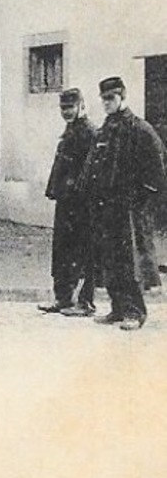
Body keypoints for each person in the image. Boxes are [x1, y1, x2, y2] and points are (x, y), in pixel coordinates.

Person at [84, 75, 167, 330]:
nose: (107, 103)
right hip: (107, 206)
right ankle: (117, 308)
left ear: (122, 97)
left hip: (129, 208)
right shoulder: (105, 129)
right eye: (104, 99)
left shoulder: (139, 129)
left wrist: (141, 198)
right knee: (109, 259)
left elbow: (157, 167)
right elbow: (94, 164)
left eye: (111, 98)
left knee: (130, 261)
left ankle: (135, 312)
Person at [37, 88, 95, 316]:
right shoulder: (71, 130)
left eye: (70, 107)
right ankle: (63, 298)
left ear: (81, 105)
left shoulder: (89, 133)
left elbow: (91, 170)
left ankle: (84, 302)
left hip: (81, 203)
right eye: (63, 108)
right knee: (62, 250)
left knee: (82, 251)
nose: (66, 112)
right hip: (66, 201)